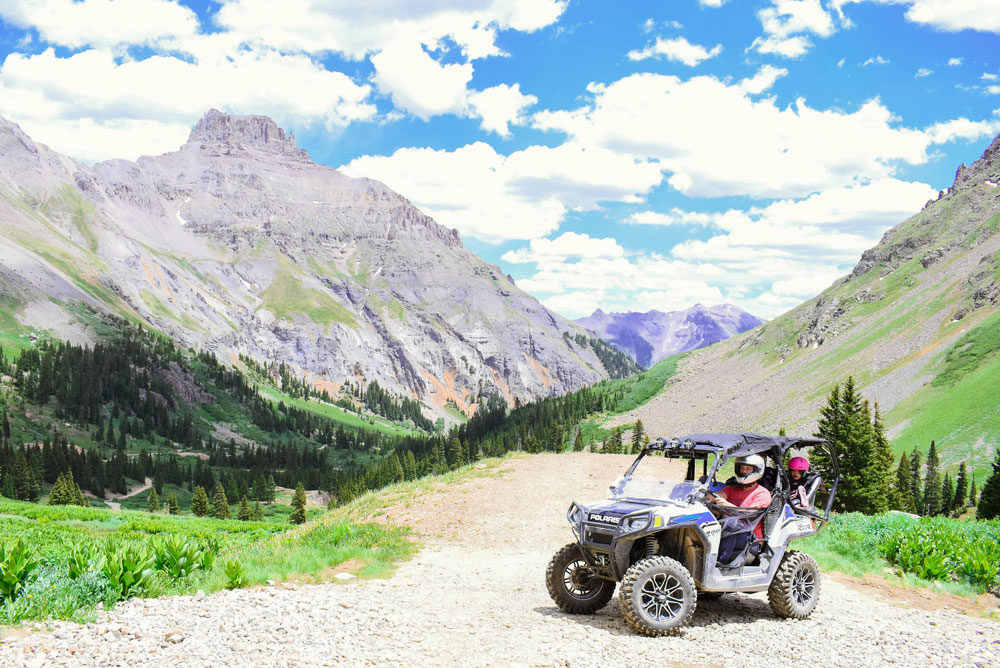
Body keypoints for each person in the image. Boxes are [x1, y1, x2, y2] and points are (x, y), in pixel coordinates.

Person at [706, 454, 772, 565]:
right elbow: (720, 494)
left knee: (731, 523)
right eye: (742, 468)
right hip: (729, 531)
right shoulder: (733, 488)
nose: (744, 471)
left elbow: (749, 514)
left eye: (747, 469)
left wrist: (726, 504)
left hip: (750, 537)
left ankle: (719, 564)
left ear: (756, 471)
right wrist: (710, 496)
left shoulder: (762, 493)